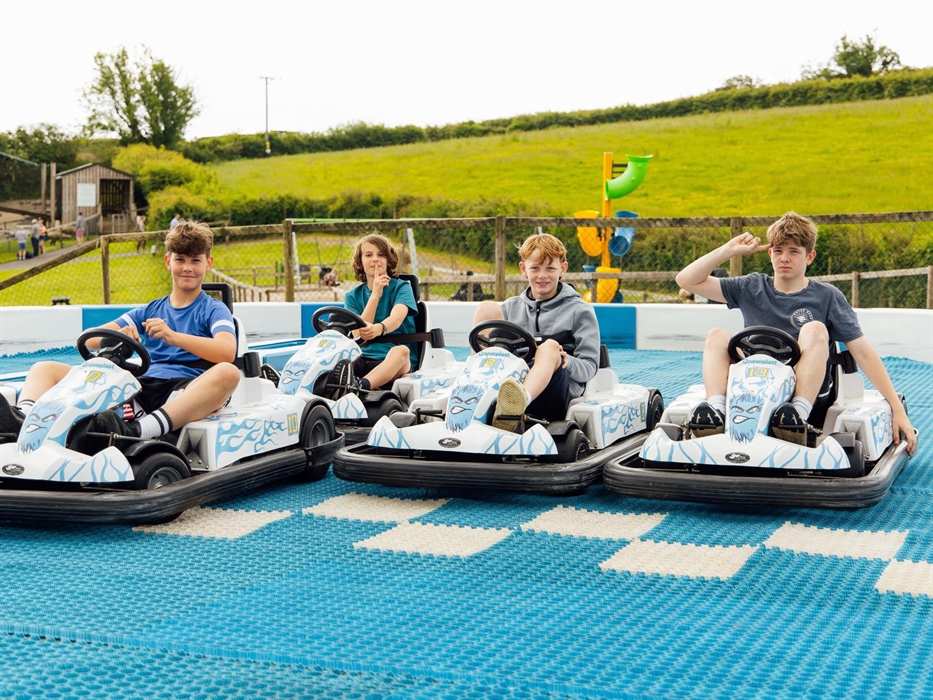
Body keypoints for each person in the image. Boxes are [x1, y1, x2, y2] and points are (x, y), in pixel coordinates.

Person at [676, 211, 916, 454]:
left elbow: (862, 352)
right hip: (753, 392)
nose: (784, 259)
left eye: (793, 252)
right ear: (769, 253)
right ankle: (717, 412)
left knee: (813, 329)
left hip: (809, 396)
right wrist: (728, 250)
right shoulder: (751, 286)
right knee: (717, 334)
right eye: (778, 251)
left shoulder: (827, 297)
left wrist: (896, 409)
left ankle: (795, 420)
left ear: (809, 257)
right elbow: (686, 281)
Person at [8, 220, 241, 442]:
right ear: (168, 262)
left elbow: (227, 352)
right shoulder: (150, 310)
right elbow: (91, 340)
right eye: (180, 259)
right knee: (43, 368)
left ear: (208, 264)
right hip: (137, 386)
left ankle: (140, 430)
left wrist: (174, 337)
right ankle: (22, 419)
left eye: (195, 260)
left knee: (228, 374)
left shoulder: (214, 309)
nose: (187, 268)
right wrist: (121, 337)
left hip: (183, 389)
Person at [472, 232, 600, 433]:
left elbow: (591, 366)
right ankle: (473, 391)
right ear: (524, 269)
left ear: (562, 269)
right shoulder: (510, 308)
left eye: (550, 268)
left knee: (549, 347)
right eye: (535, 268)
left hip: (556, 390)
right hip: (509, 380)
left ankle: (516, 404)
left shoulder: (579, 310)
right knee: (486, 308)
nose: (542, 275)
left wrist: (567, 361)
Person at [329, 233, 419, 396]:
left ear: (389, 261)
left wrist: (379, 328)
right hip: (363, 357)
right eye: (369, 255)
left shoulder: (402, 287)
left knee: (402, 351)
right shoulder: (352, 296)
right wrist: (375, 294)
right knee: (333, 354)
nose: (375, 259)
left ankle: (360, 386)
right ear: (359, 262)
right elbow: (358, 334)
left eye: (381, 255)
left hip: (395, 362)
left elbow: (397, 318)